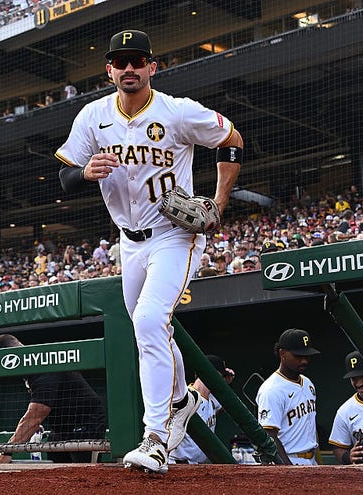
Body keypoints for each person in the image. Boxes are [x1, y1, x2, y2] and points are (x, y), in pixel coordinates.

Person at [56, 29, 243, 474]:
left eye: (138, 60)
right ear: (109, 71)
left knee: (148, 320)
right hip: (128, 241)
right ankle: (183, 401)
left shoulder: (176, 112)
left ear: (152, 67)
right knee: (151, 331)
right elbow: (61, 179)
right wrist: (84, 173)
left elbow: (231, 138)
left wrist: (217, 203)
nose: (129, 68)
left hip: (175, 233)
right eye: (120, 61)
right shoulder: (92, 116)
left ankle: (156, 439)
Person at [0, 334, 107, 464]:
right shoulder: (28, 372)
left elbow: (34, 417)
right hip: (61, 429)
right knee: (56, 473)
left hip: (85, 425)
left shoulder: (41, 363)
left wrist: (7, 451)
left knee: (86, 473)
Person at [256, 328, 320, 465]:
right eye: (298, 356)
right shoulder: (271, 389)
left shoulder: (308, 383)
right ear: (282, 353)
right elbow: (269, 436)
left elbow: (311, 429)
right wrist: (287, 469)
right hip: (290, 459)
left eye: (306, 356)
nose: (304, 361)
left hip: (312, 459)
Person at [169, 355, 235, 464]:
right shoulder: (187, 397)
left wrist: (228, 384)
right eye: (222, 376)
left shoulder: (211, 400)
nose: (222, 380)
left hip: (196, 467)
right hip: (178, 464)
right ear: (215, 374)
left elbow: (225, 405)